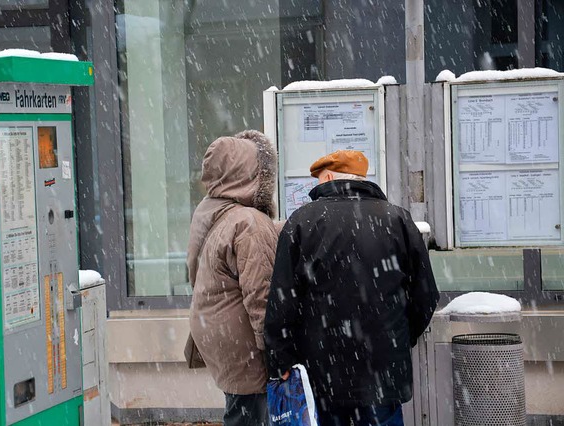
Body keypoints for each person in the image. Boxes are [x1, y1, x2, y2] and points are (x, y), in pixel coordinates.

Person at [264, 150, 439, 426]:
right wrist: (398, 337)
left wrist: (281, 359)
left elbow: (282, 302)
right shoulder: (398, 220)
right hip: (383, 375)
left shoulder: (302, 222)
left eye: (319, 181)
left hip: (322, 376)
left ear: (330, 177)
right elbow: (426, 295)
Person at [188, 130, 278, 426]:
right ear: (254, 175)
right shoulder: (249, 222)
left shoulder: (210, 211)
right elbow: (261, 295)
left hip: (218, 335)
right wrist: (276, 350)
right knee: (249, 415)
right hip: (244, 345)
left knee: (239, 410)